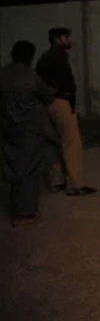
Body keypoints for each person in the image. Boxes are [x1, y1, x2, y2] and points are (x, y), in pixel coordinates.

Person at [35, 28, 96, 196]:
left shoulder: (46, 57)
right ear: (57, 39)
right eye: (67, 37)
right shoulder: (57, 56)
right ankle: (75, 184)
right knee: (71, 142)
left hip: (50, 104)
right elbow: (55, 83)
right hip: (61, 102)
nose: (71, 40)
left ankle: (57, 182)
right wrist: (53, 92)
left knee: (53, 142)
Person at [0, 42, 54, 226]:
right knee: (30, 170)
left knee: (13, 165)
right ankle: (25, 213)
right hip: (29, 130)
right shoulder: (31, 77)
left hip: (7, 129)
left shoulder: (3, 74)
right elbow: (47, 97)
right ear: (30, 57)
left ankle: (14, 207)